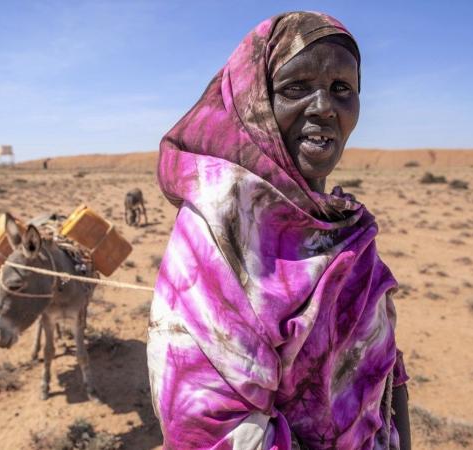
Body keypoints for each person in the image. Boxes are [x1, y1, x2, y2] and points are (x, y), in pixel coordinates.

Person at [147, 11, 410, 450]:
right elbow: (210, 432)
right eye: (296, 88)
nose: (324, 107)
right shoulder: (220, 236)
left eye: (341, 89)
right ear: (255, 103)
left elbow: (385, 371)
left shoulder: (341, 224)